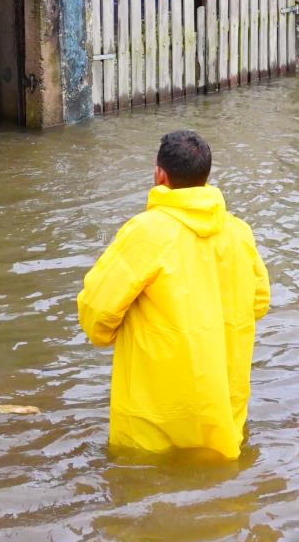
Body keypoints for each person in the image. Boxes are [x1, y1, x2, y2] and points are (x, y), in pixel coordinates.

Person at [77, 130, 271, 458]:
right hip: (219, 398)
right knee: (218, 470)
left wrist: (107, 334)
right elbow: (259, 301)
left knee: (143, 474)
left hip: (155, 409)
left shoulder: (146, 231)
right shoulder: (238, 232)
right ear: (205, 176)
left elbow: (98, 308)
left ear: (160, 175)